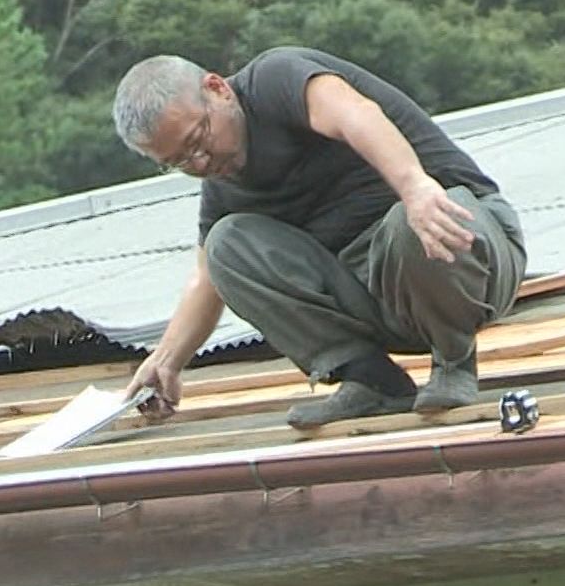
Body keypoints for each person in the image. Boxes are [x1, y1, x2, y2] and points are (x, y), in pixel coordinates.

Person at [111, 47, 528, 429]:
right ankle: (370, 380)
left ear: (217, 89)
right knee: (226, 245)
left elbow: (355, 114)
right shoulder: (223, 183)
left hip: (467, 255)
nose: (200, 161)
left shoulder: (275, 82)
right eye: (179, 162)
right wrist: (166, 362)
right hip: (382, 298)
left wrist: (415, 187)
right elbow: (206, 279)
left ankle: (454, 361)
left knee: (409, 222)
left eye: (198, 139)